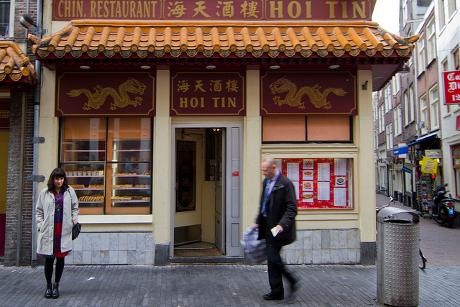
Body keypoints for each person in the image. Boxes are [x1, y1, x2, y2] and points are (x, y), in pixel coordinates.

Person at [256, 157, 298, 301]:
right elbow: (263, 204)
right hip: (267, 226)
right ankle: (277, 291)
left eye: (266, 170)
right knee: (272, 258)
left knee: (273, 257)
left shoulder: (286, 184)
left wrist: (281, 225)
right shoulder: (266, 182)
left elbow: (292, 208)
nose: (264, 172)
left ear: (274, 167)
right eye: (262, 170)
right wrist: (258, 221)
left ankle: (291, 281)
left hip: (279, 228)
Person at [36, 168, 79, 299]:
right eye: (57, 179)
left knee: (60, 259)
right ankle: (48, 286)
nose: (59, 181)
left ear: (64, 179)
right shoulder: (45, 192)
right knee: (49, 260)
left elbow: (75, 207)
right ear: (53, 179)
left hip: (63, 230)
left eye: (61, 178)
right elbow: (39, 211)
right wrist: (40, 225)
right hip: (49, 231)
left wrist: (73, 220)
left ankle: (56, 285)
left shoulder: (70, 191)